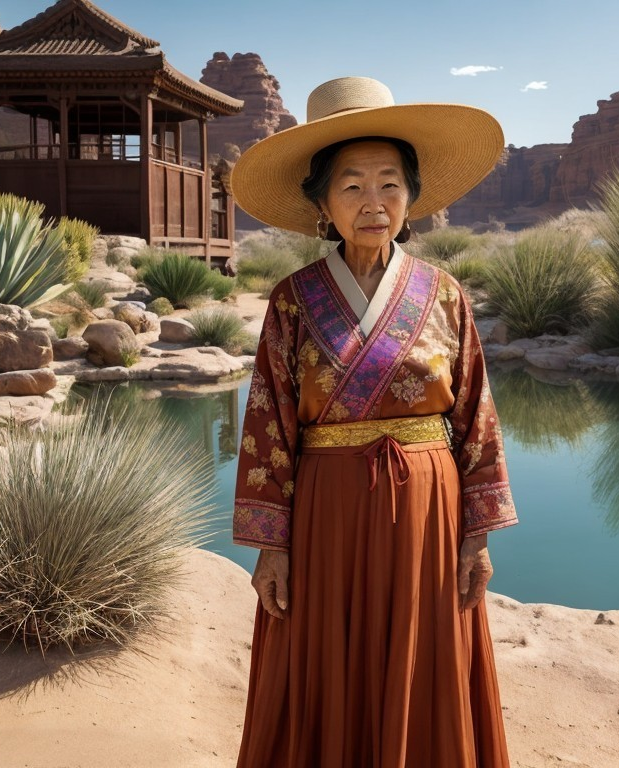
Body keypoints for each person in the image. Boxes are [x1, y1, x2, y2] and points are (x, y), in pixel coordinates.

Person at [230, 76, 518, 768]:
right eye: (352, 185)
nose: (374, 202)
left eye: (390, 183)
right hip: (327, 516)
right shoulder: (292, 300)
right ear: (322, 204)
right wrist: (273, 546)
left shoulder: (444, 295)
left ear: (411, 198)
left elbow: (475, 413)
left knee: (428, 666)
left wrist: (475, 537)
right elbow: (267, 425)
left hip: (428, 513)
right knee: (325, 666)